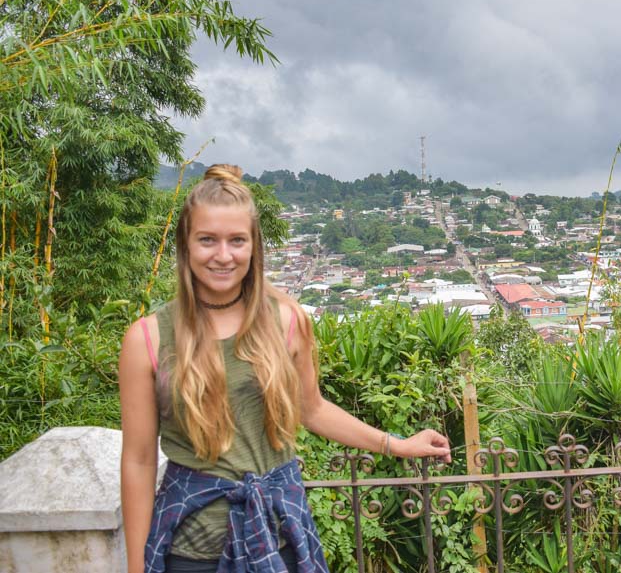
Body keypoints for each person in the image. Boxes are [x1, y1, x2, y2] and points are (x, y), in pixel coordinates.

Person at [119, 165, 451, 573]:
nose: (223, 255)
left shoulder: (287, 321)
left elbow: (311, 409)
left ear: (254, 247)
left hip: (279, 537)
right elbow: (138, 460)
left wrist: (397, 444)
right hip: (191, 549)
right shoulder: (147, 339)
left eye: (236, 241)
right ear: (185, 246)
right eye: (207, 240)